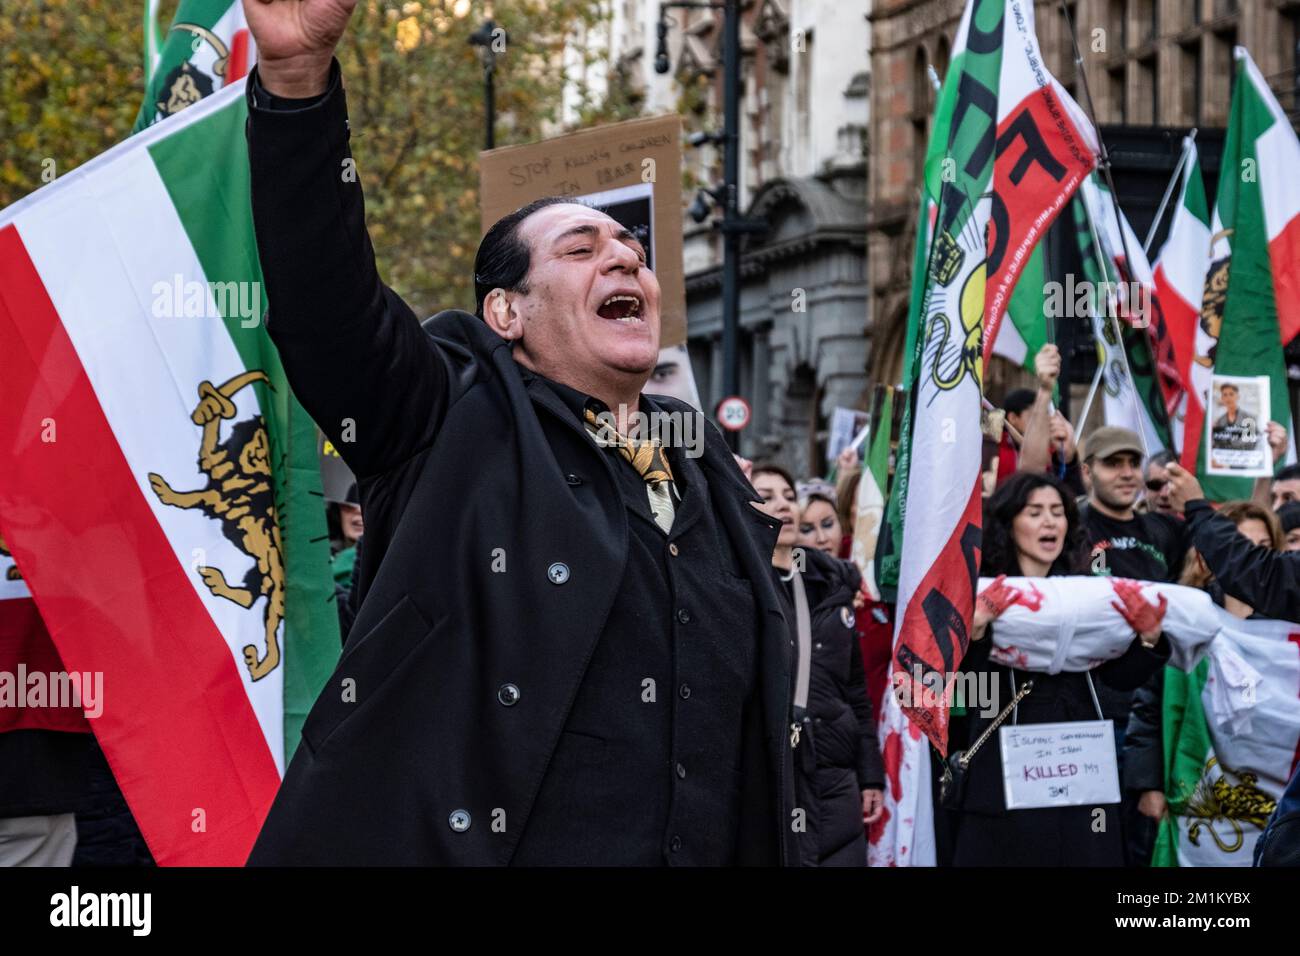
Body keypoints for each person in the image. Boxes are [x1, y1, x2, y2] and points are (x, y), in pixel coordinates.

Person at [242, 0, 795, 866]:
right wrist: (296, 85)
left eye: (633, 252)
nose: (625, 259)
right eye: (581, 250)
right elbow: (327, 305)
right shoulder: (450, 413)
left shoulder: (701, 456)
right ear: (505, 311)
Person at [948, 472, 1170, 866]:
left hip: (1080, 767)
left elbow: (1116, 678)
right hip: (1002, 774)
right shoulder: (979, 592)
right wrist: (977, 631)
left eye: (1057, 512)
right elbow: (964, 692)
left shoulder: (1087, 592)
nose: (1050, 522)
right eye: (1035, 512)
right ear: (1009, 522)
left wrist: (1149, 639)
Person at [1125, 501, 1284, 840]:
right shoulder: (1185, 617)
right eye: (1240, 547)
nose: (1251, 558)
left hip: (1272, 793)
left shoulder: (1288, 631)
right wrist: (1148, 785)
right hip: (1195, 792)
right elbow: (1150, 706)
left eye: (1263, 549)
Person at [751, 464, 884, 866]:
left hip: (835, 775)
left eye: (789, 496)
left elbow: (855, 692)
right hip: (772, 776)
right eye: (767, 496)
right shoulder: (735, 585)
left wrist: (870, 774)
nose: (784, 505)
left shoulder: (831, 584)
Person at [1167, 462, 1300, 622]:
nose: (1253, 553)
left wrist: (1196, 507)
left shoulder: (1283, 614)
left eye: (1263, 547)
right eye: (1242, 545)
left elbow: (1262, 575)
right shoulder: (1191, 607)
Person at [1142, 450, 1176, 516]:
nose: (1164, 494)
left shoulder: (1199, 524)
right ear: (1144, 489)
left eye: (1172, 485)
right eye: (1155, 485)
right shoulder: (1124, 525)